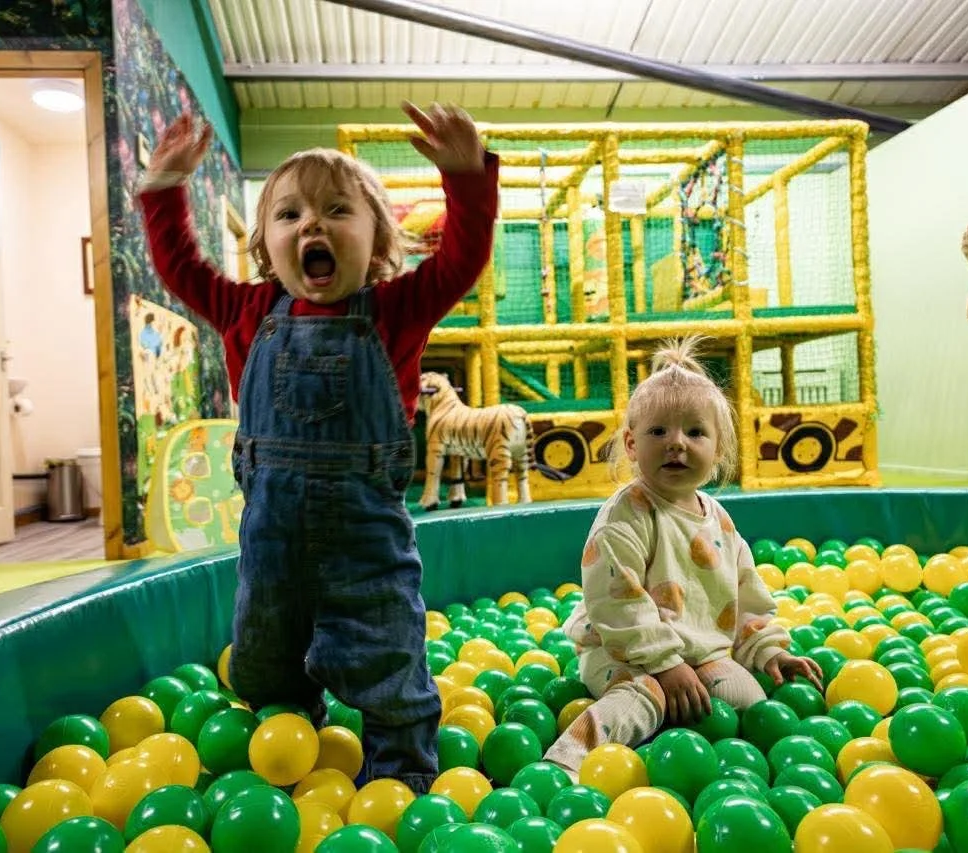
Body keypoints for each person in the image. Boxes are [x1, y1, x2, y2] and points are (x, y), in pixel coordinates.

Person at [137, 102, 499, 793]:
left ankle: (399, 775)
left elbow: (460, 260)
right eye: (290, 214)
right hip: (271, 544)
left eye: (338, 210)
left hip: (369, 542)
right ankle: (286, 754)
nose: (312, 224)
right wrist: (162, 192)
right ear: (267, 246)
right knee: (266, 654)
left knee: (387, 652)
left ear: (378, 240)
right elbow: (180, 267)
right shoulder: (247, 313)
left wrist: (467, 178)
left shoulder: (395, 311)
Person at [543, 337, 824, 778]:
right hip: (626, 654)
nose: (676, 444)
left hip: (699, 652)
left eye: (695, 433)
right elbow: (615, 602)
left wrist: (768, 652)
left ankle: (721, 767)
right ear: (632, 445)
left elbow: (744, 600)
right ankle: (566, 763)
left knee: (750, 702)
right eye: (659, 432)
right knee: (644, 698)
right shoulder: (627, 515)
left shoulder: (720, 521)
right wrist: (667, 666)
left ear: (718, 451)